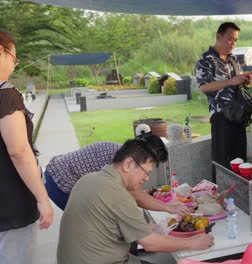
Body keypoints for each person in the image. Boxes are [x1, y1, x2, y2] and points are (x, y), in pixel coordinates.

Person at [57, 137, 214, 264]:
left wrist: (142, 226)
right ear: (128, 164)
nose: (146, 179)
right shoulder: (119, 194)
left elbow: (101, 222)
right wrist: (192, 242)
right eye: (146, 172)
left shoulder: (88, 178)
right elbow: (150, 243)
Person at [0, 29, 54, 263]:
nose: (15, 63)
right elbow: (19, 151)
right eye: (15, 57)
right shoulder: (6, 96)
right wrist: (42, 198)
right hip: (11, 204)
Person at [44, 133, 190, 215]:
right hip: (60, 182)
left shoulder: (124, 152)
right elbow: (137, 196)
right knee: (93, 221)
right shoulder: (122, 160)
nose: (147, 176)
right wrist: (168, 207)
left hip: (59, 172)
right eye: (151, 160)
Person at [195, 22, 252, 168]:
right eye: (230, 39)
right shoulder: (206, 60)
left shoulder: (233, 59)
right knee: (222, 161)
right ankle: (222, 190)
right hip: (221, 117)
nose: (233, 43)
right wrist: (230, 81)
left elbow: (237, 82)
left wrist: (246, 79)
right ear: (218, 36)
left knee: (240, 160)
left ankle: (239, 190)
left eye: (235, 40)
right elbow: (203, 87)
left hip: (238, 115)